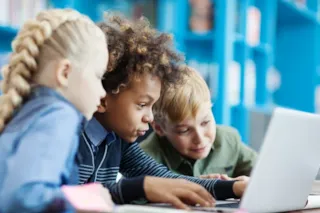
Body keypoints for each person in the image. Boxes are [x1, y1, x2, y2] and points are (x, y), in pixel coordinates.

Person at [77, 13, 247, 210]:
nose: (149, 118)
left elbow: (168, 180)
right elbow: (67, 196)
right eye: (142, 105)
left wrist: (234, 187)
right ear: (102, 99)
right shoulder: (72, 136)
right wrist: (138, 187)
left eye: (152, 106)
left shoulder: (117, 141)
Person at [0, 9, 113, 213]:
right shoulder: (59, 114)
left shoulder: (27, 111)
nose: (102, 92)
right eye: (98, 77)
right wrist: (85, 198)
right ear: (64, 72)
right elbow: (22, 198)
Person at [140, 67, 257, 180]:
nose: (200, 139)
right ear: (159, 128)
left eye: (205, 122)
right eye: (184, 130)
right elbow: (136, 196)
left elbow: (266, 173)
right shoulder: (144, 159)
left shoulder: (229, 141)